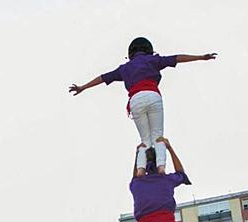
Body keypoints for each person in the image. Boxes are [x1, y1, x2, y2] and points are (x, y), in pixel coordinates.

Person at [68, 37, 217, 174]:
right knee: (157, 136)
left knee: (145, 140)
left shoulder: (124, 68)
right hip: (153, 95)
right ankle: (161, 167)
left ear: (131, 53)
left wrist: (83, 87)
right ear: (149, 50)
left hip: (135, 100)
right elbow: (177, 58)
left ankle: (140, 170)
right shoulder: (153, 60)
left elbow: (103, 77)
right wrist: (201, 57)